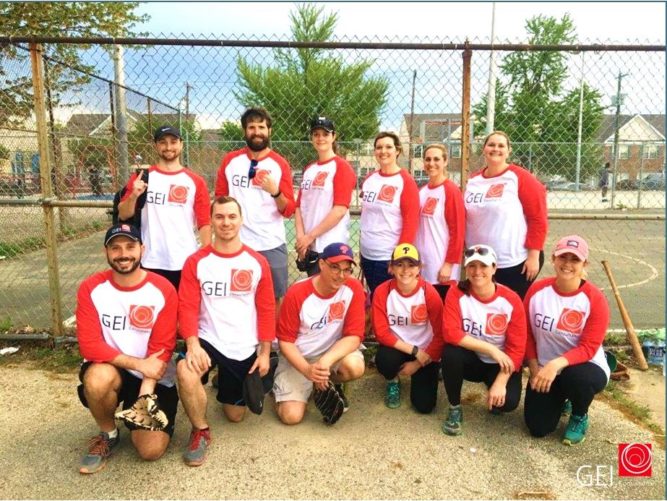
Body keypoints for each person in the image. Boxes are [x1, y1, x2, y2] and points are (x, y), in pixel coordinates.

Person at [176, 196, 276, 466]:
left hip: (242, 345)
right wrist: (193, 345)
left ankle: (225, 379)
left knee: (235, 415)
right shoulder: (196, 261)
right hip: (208, 339)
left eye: (232, 216)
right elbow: (186, 307)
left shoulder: (256, 262)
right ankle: (200, 430)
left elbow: (266, 309)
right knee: (185, 371)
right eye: (219, 217)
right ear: (211, 221)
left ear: (241, 220)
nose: (226, 222)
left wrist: (265, 352)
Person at [75, 223, 179, 474]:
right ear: (106, 252)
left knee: (150, 451)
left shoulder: (162, 288)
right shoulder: (91, 288)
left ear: (142, 249)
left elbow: (162, 348)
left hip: (152, 374)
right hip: (114, 369)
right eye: (116, 248)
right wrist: (138, 364)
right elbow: (89, 345)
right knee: (98, 379)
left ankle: (136, 409)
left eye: (130, 246)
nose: (123, 254)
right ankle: (108, 433)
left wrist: (145, 395)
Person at [523, 235, 610, 446]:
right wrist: (535, 367)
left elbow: (588, 347)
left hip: (582, 366)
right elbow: (525, 333)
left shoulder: (594, 299)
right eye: (563, 257)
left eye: (575, 259)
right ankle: (561, 397)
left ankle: (579, 413)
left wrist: (556, 363)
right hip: (545, 370)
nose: (568, 264)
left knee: (578, 378)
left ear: (584, 264)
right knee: (538, 428)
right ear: (553, 259)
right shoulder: (537, 291)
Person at [274, 242, 366, 426]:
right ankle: (285, 389)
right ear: (321, 264)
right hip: (300, 357)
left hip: (331, 353)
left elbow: (354, 336)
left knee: (354, 366)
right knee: (291, 417)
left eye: (346, 270)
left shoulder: (353, 288)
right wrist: (308, 370)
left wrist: (324, 363)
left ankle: (325, 383)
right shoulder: (297, 293)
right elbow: (285, 342)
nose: (340, 275)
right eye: (334, 267)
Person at [441, 245, 526, 436]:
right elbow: (450, 333)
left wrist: (501, 382)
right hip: (473, 359)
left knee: (508, 403)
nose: (477, 272)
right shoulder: (457, 292)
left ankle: (493, 387)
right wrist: (490, 349)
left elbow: (517, 349)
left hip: (500, 363)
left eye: (483, 266)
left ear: (494, 268)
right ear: (466, 268)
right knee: (450, 352)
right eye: (472, 266)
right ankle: (454, 407)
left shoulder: (510, 300)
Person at [215, 108, 295, 306]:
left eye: (261, 127)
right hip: (236, 243)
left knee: (274, 299)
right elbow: (220, 200)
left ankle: (272, 338)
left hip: (270, 243)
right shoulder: (230, 161)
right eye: (251, 127)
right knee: (235, 296)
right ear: (245, 131)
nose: (257, 131)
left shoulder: (279, 164)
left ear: (269, 131)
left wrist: (275, 191)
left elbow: (288, 209)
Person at [117, 125, 211, 290]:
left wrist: (206, 256)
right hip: (150, 260)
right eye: (163, 142)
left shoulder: (195, 181)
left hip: (185, 259)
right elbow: (123, 214)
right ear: (156, 146)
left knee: (184, 312)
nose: (168, 147)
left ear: (181, 144)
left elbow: (204, 223)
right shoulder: (142, 176)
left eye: (173, 142)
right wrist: (134, 195)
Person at [464, 130, 547, 299]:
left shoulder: (519, 177)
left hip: (513, 261)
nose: (496, 149)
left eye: (501, 145)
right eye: (491, 145)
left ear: (509, 150)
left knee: (510, 310)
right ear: (484, 149)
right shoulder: (473, 181)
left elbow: (537, 217)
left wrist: (533, 256)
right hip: (481, 261)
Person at [372, 243, 444, 412]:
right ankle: (393, 381)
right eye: (399, 264)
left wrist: (418, 363)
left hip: (425, 352)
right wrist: (413, 350)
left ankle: (425, 375)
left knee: (424, 407)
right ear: (391, 268)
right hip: (398, 347)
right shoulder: (383, 291)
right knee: (384, 359)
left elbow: (441, 334)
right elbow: (382, 333)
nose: (405, 270)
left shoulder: (429, 293)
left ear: (420, 268)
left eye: (411, 265)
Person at [295, 116, 357, 276]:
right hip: (310, 247)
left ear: (333, 137)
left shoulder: (342, 167)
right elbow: (299, 206)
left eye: (325, 134)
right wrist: (302, 240)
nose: (320, 138)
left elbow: (339, 211)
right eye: (316, 134)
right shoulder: (309, 169)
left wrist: (310, 236)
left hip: (331, 248)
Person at [360, 131, 420, 296]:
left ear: (397, 150)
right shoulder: (369, 179)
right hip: (367, 255)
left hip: (387, 257)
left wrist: (398, 260)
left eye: (388, 147)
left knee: (388, 302)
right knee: (374, 299)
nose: (383, 151)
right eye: (379, 147)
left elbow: (411, 223)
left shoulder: (405, 181)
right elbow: (366, 216)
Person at [415, 143, 465, 300]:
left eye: (436, 159)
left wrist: (449, 264)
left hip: (441, 268)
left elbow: (458, 231)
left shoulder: (450, 191)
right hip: (423, 266)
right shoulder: (422, 191)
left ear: (445, 161)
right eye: (428, 159)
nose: (431, 163)